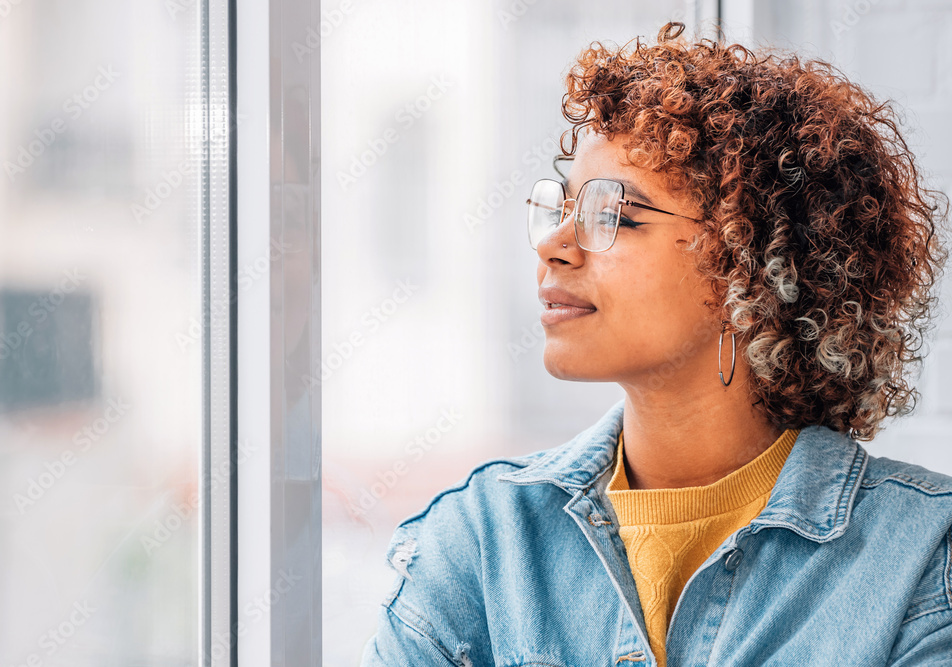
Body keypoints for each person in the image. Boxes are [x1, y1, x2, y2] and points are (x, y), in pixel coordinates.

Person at [360, 22, 952, 666]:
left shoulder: (922, 559)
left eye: (615, 215)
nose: (553, 244)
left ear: (754, 264)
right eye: (561, 208)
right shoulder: (481, 542)